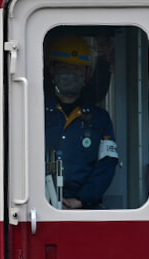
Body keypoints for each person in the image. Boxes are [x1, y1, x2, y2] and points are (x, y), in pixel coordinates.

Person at [44, 36, 118, 209]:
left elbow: (107, 163)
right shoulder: (33, 113)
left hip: (84, 209)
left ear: (88, 74)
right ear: (51, 71)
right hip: (38, 205)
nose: (70, 74)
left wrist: (83, 199)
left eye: (77, 69)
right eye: (64, 67)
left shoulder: (100, 118)